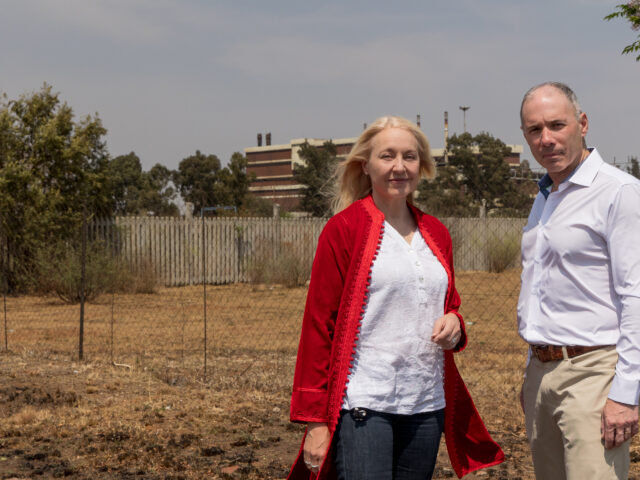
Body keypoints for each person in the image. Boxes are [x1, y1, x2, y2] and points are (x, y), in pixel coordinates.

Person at [287, 116, 504, 480]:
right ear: (366, 166)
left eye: (410, 156)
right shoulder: (343, 229)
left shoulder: (436, 232)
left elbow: (448, 304)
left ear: (422, 166)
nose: (399, 167)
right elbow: (317, 326)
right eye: (387, 156)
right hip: (365, 403)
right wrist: (314, 421)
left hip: (426, 404)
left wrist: (455, 323)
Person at [517, 81, 640, 479]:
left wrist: (626, 393)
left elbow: (636, 296)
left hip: (593, 372)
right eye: (535, 130)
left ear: (582, 123)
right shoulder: (545, 197)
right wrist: (530, 372)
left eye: (557, 125)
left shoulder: (619, 193)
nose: (546, 139)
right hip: (541, 373)